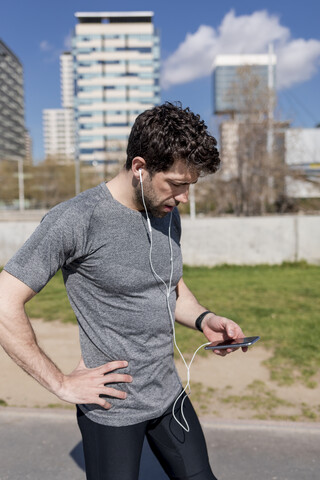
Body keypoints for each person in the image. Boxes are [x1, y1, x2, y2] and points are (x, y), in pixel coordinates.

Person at [0, 102, 247, 480]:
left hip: (168, 395)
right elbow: (4, 302)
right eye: (178, 185)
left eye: (190, 186)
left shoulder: (165, 212)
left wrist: (204, 319)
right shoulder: (76, 219)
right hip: (112, 408)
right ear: (139, 167)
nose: (184, 198)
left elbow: (170, 287)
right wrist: (60, 383)